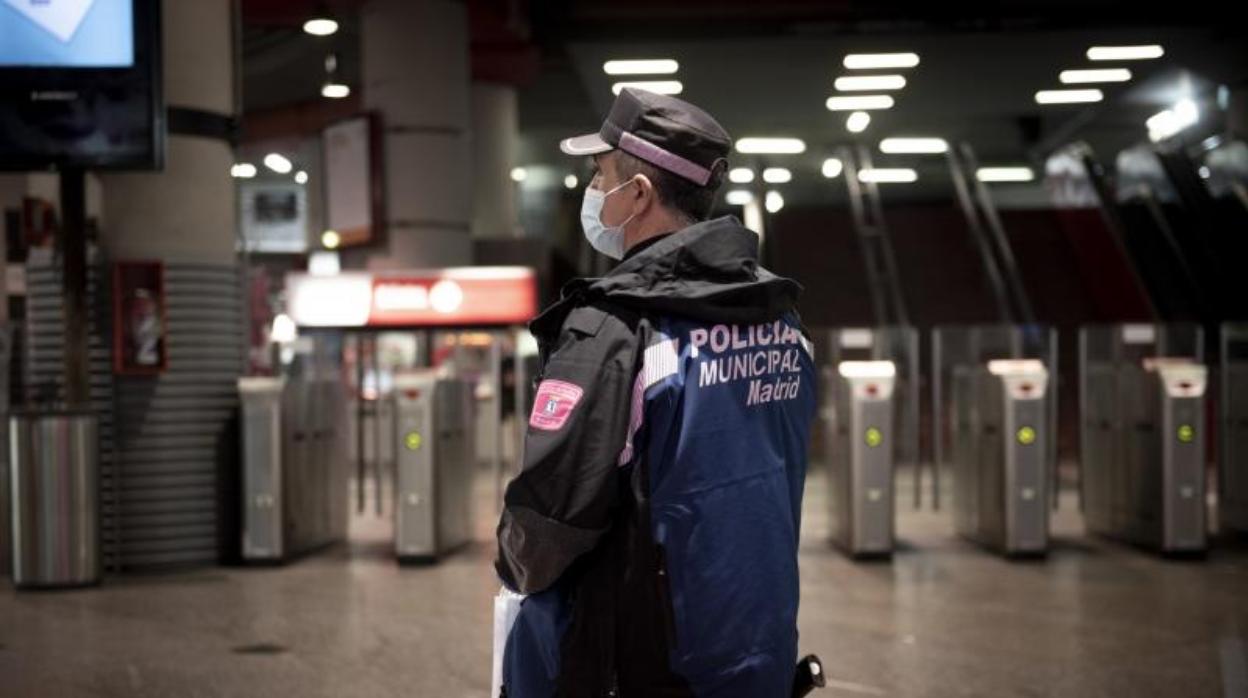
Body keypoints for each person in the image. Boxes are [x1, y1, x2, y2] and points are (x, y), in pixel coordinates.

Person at [496, 88, 818, 697]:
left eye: (600, 173)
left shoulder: (614, 331)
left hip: (635, 661)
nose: (592, 188)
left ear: (638, 194)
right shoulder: (782, 320)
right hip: (754, 648)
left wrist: (511, 562)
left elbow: (547, 525)